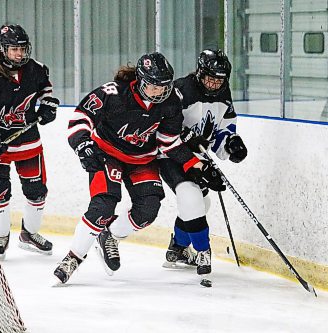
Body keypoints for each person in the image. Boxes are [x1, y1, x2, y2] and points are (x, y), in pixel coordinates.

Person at [53, 52, 224, 284]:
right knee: (104, 204)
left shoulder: (171, 100)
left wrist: (196, 165)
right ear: (141, 80)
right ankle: (72, 258)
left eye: (164, 87)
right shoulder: (114, 93)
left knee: (148, 210)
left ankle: (110, 235)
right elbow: (81, 117)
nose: (159, 92)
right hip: (108, 154)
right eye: (154, 86)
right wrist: (82, 144)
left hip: (143, 159)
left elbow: (169, 141)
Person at [0, 24, 60, 260]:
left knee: (36, 192)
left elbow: (45, 90)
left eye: (22, 48)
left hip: (28, 141)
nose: (19, 54)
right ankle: (1, 236)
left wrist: (48, 105)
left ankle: (28, 235)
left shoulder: (36, 69)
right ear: (2, 49)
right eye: (13, 49)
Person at [159, 49, 247, 279]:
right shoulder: (180, 90)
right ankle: (201, 251)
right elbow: (162, 123)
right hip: (170, 154)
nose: (215, 84)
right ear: (200, 72)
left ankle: (177, 248)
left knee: (203, 203)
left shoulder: (223, 94)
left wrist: (231, 143)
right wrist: (186, 137)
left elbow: (222, 128)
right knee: (192, 198)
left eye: (220, 80)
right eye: (211, 78)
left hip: (195, 156)